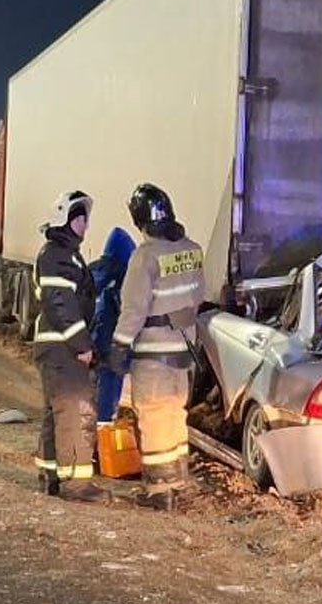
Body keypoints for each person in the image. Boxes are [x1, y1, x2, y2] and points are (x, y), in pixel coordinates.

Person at [108, 184, 205, 511]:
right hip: (184, 351)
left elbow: (133, 309)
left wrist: (119, 346)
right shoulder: (192, 250)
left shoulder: (145, 256)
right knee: (174, 415)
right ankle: (179, 481)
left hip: (153, 352)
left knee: (152, 416)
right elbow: (196, 299)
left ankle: (160, 490)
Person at [33, 190, 110, 503]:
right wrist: (83, 344)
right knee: (76, 411)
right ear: (67, 219)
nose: (86, 225)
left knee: (58, 413)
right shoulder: (58, 255)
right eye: (81, 219)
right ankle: (77, 484)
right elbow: (60, 302)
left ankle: (51, 474)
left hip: (54, 347)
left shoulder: (62, 253)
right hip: (62, 347)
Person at [89, 227, 136, 423]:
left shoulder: (93, 271)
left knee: (90, 394)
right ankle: (102, 440)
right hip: (112, 345)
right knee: (108, 398)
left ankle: (88, 437)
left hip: (92, 344)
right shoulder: (124, 278)